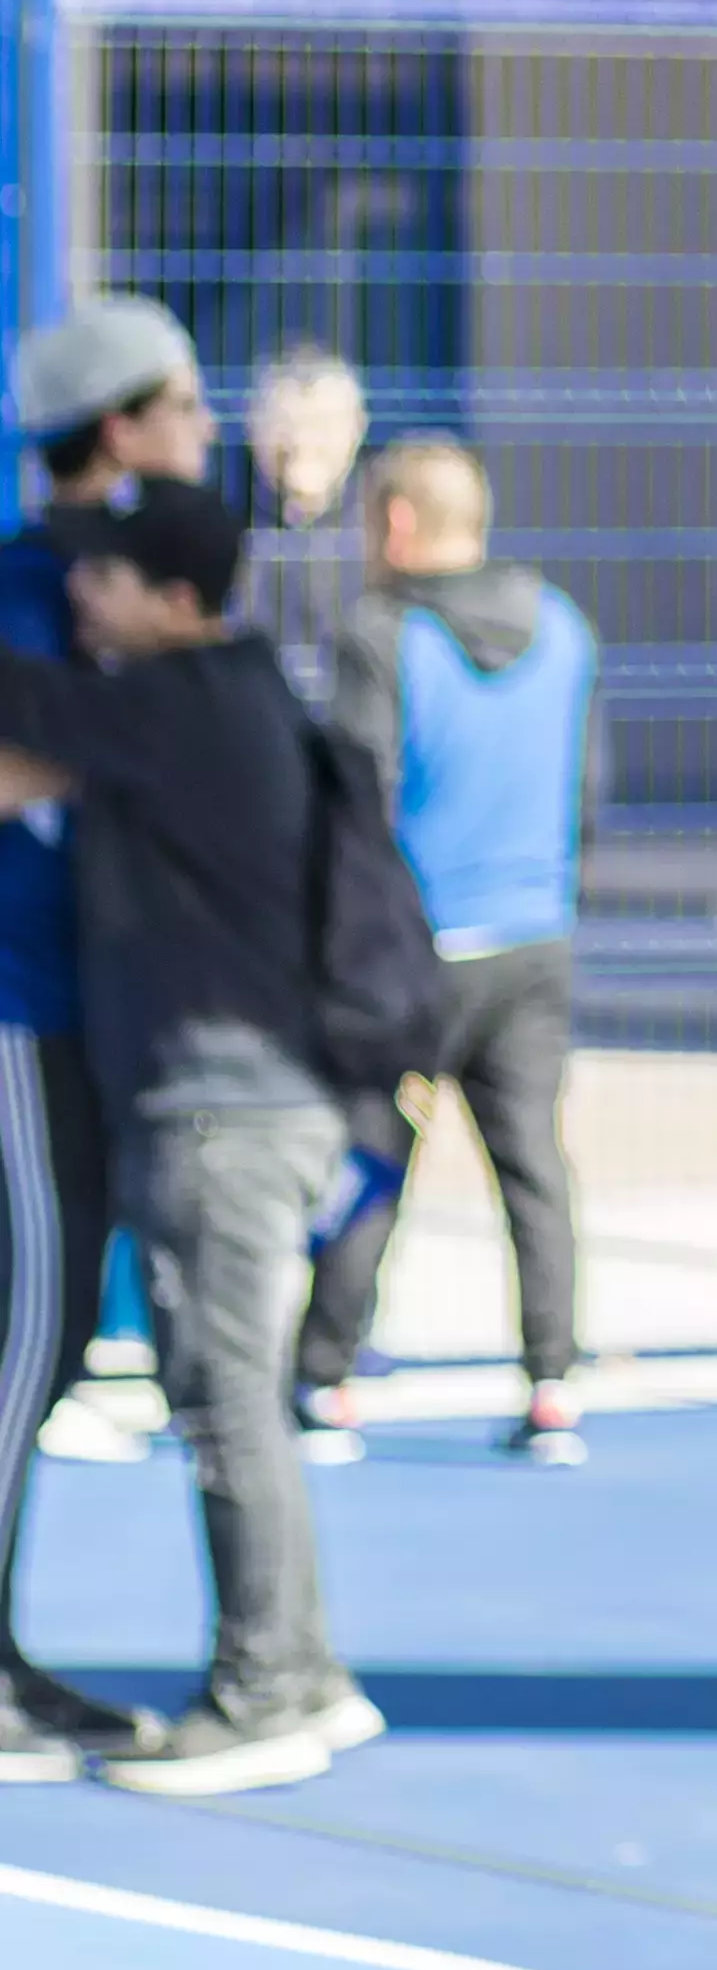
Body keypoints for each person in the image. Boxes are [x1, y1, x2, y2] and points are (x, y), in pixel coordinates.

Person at [0, 469, 404, 1795]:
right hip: (254, 1102)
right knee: (236, 1400)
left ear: (176, 601)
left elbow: (25, 702)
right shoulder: (220, 697)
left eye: (103, 578)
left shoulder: (174, 704)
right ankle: (301, 1671)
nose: (77, 593)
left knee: (226, 1405)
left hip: (220, 1111)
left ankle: (271, 1688)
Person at [0, 292, 219, 1782]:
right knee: (19, 1338)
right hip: (18, 1005)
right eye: (188, 408)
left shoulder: (141, 580)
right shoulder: (30, 583)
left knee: (61, 1329)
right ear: (126, 424)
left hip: (97, 1005)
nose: (207, 433)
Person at [298, 433, 604, 1465]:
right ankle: (553, 1385)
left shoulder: (381, 636)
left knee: (375, 1161)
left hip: (419, 953)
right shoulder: (564, 627)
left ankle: (326, 1379)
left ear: (392, 522)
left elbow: (356, 804)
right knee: (535, 1170)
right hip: (536, 940)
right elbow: (589, 791)